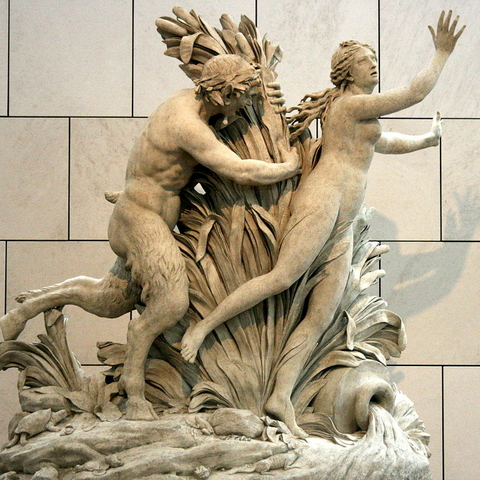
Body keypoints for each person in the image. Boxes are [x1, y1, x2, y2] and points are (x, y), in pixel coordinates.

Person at [180, 11, 464, 437]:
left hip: (344, 219)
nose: (374, 65)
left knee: (320, 315)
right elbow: (414, 93)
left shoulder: (360, 116)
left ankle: (280, 396)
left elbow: (382, 141)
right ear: (348, 72)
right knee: (281, 277)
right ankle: (202, 328)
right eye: (366, 61)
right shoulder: (349, 105)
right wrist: (441, 53)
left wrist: (427, 140)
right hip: (322, 202)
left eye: (374, 60)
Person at [0, 54, 299, 421]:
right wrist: (289, 167)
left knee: (110, 300)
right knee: (171, 304)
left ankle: (29, 307)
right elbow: (238, 170)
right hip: (139, 219)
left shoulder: (190, 102)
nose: (244, 106)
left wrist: (267, 95)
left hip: (141, 217)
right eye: (242, 98)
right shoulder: (187, 124)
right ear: (224, 95)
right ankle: (134, 389)